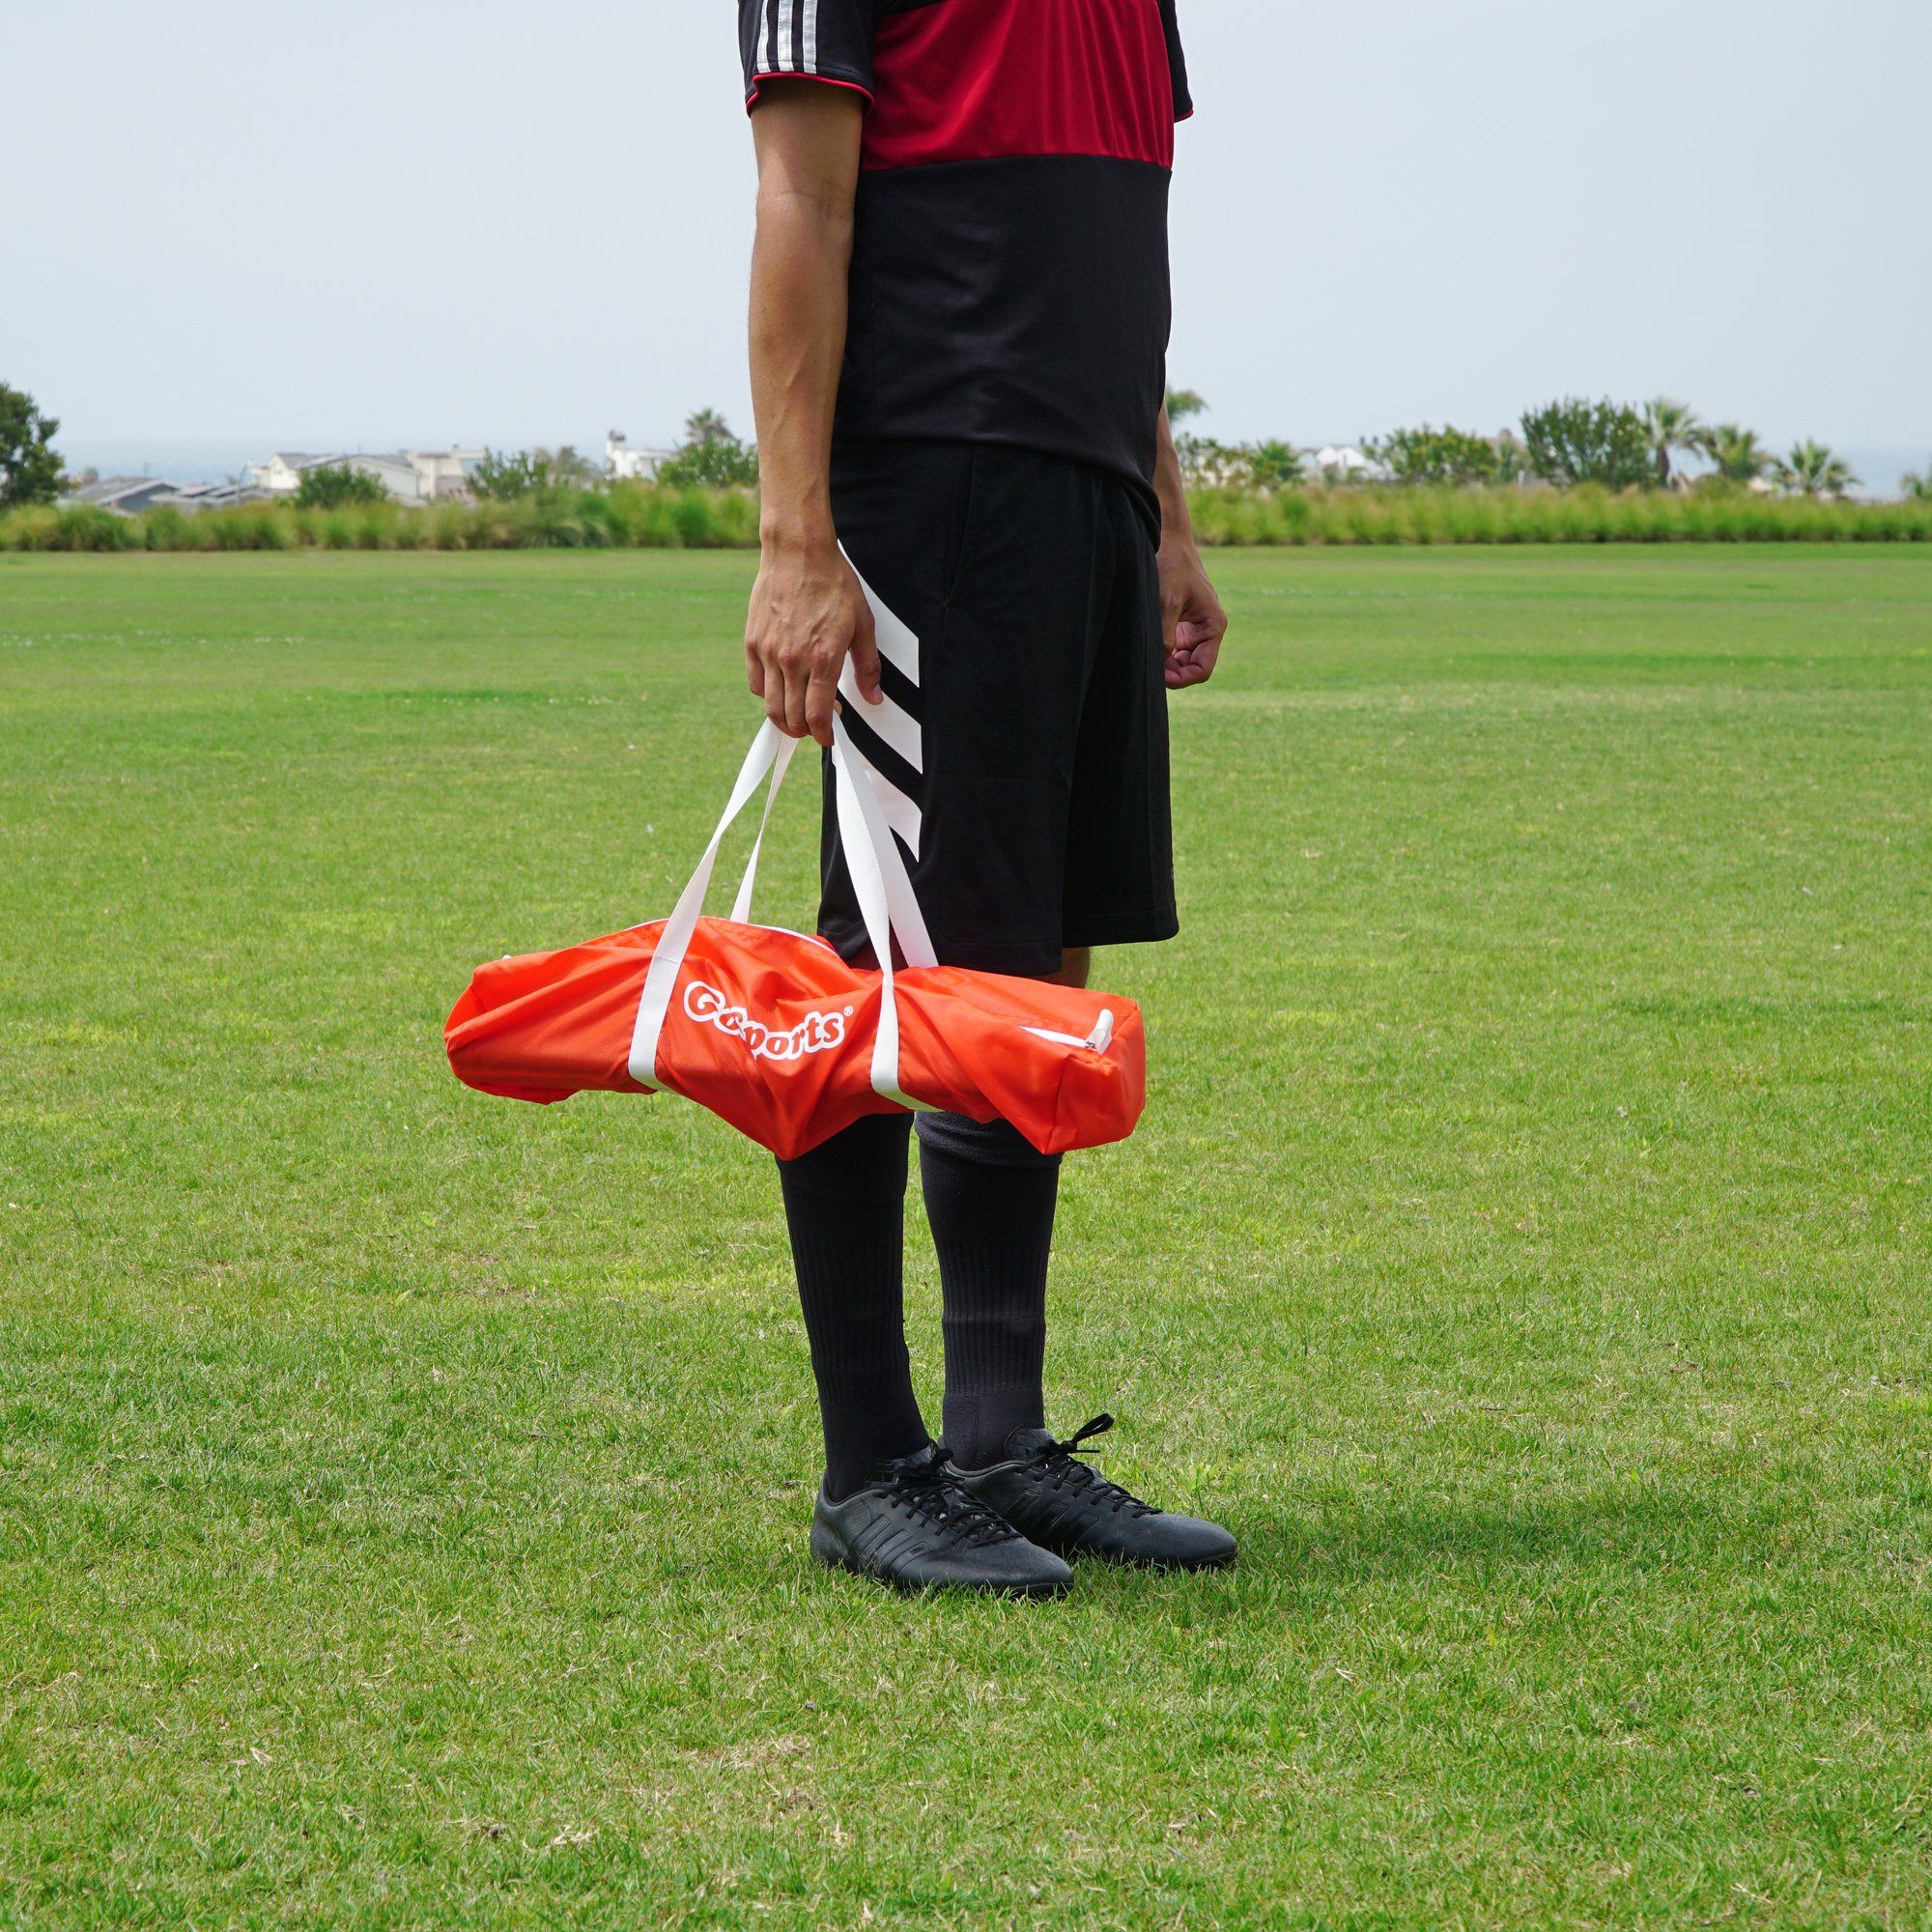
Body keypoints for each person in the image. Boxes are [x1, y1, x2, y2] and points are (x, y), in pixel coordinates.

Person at [739, 0, 1233, 1595]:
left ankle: (999, 1445)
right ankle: (869, 1467)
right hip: (930, 482)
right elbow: (802, 207)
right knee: (888, 973)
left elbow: (1105, 267)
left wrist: (1157, 511)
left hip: (1083, 495)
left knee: (1034, 977)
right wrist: (796, 542)